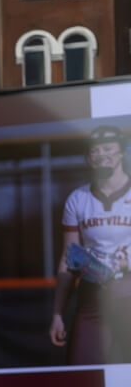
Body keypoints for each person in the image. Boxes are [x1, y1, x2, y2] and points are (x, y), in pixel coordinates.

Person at [49, 124, 131, 367]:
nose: (101, 154)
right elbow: (68, 257)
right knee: (84, 373)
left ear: (122, 152)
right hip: (93, 294)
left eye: (108, 148)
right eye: (94, 151)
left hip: (128, 291)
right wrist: (57, 314)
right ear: (87, 157)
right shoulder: (78, 198)